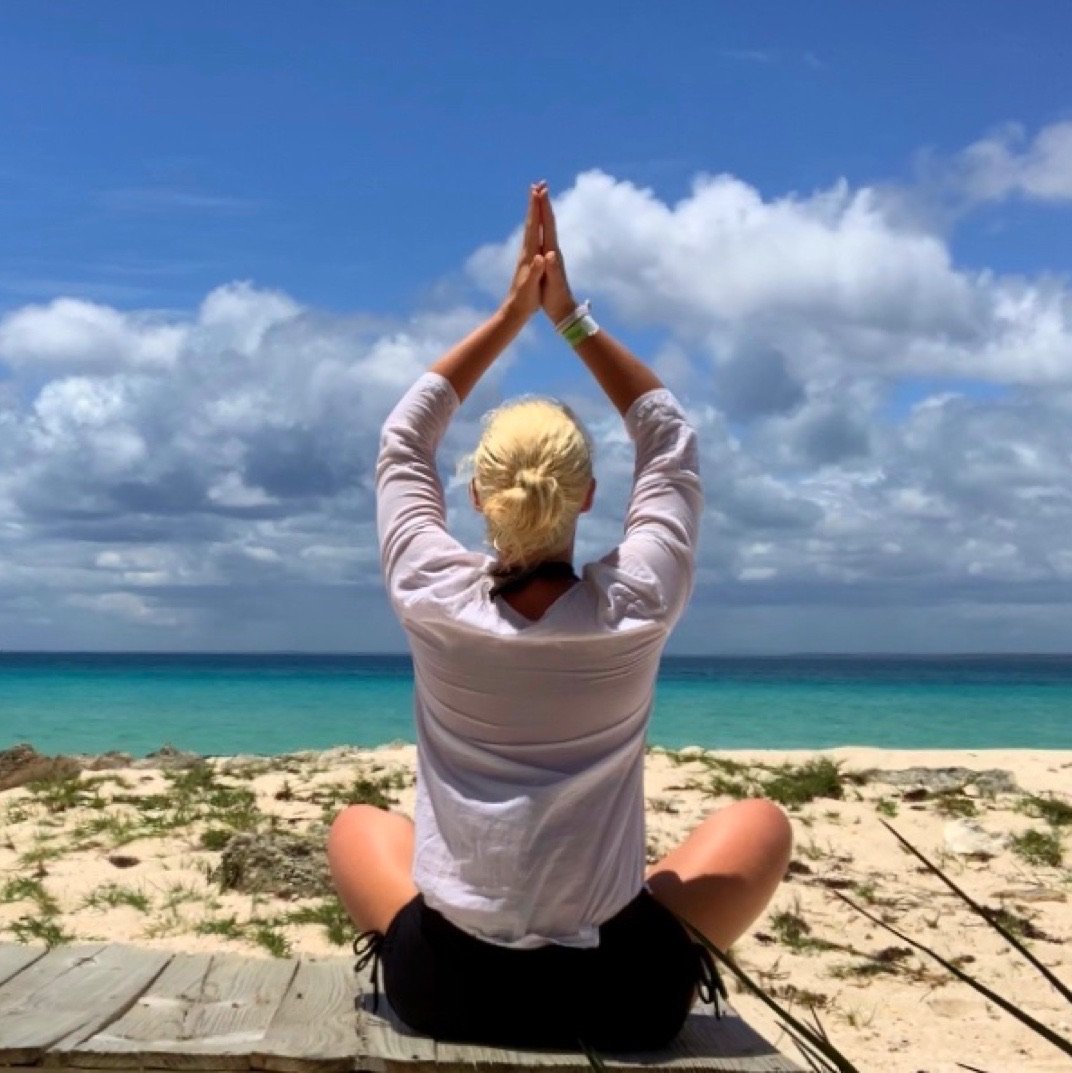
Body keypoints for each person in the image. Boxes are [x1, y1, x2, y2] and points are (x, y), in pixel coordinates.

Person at [327, 182, 792, 1051]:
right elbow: (668, 436)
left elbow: (402, 440)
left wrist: (510, 314)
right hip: (619, 996)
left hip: (447, 990)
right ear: (587, 495)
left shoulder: (431, 592)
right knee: (762, 821)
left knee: (360, 825)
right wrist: (568, 318)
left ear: (474, 496)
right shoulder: (638, 602)